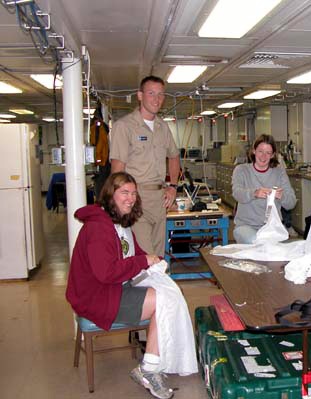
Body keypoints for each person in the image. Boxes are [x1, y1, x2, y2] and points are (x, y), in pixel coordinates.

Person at [66, 172, 174, 399]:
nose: (130, 198)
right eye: (124, 192)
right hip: (97, 296)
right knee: (163, 300)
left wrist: (152, 259)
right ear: (110, 195)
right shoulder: (99, 227)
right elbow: (106, 273)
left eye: (134, 193)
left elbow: (134, 252)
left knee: (166, 293)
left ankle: (152, 363)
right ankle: (149, 370)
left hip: (112, 288)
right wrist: (143, 262)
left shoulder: (118, 222)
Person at [110, 75, 180, 256]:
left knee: (159, 255)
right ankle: (145, 284)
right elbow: (117, 169)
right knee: (144, 256)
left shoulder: (162, 127)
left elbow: (174, 156)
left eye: (161, 94)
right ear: (140, 96)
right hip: (136, 199)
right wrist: (119, 202)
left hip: (160, 198)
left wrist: (173, 186)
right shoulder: (124, 126)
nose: (157, 99)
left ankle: (155, 284)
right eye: (151, 93)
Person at [232, 134, 297, 244]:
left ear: (272, 155)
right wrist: (255, 193)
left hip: (272, 227)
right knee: (257, 242)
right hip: (246, 226)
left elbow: (291, 203)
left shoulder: (279, 172)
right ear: (254, 151)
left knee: (278, 251)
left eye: (268, 153)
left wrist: (281, 196)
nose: (263, 156)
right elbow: (237, 193)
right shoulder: (241, 170)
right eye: (260, 151)